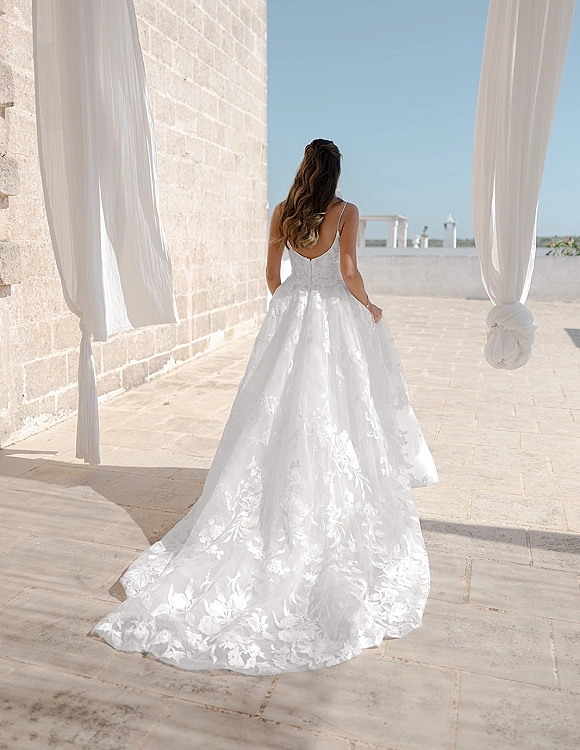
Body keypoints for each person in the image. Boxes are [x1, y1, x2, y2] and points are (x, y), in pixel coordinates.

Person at [93, 138, 438, 675]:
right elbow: (347, 272)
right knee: (336, 415)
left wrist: (288, 306)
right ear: (336, 172)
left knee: (272, 414)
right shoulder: (345, 213)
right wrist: (367, 305)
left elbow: (271, 274)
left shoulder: (282, 211)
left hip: (293, 314)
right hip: (332, 320)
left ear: (305, 169)